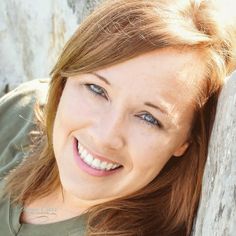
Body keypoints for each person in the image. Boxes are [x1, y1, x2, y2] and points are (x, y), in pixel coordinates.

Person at [0, 0, 235, 235]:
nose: (105, 136)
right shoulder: (22, 114)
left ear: (184, 141)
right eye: (96, 89)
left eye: (148, 118)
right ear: (65, 80)